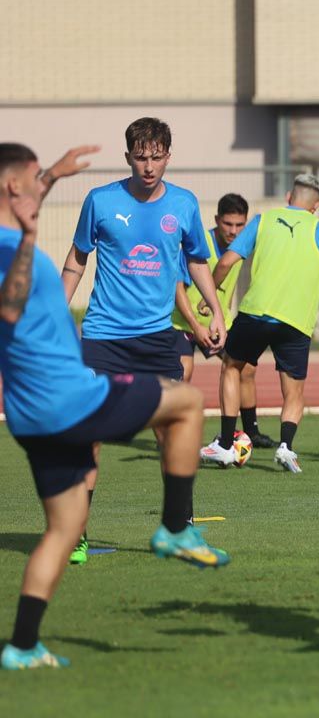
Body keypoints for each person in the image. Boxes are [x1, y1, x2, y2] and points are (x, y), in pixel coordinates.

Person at [1, 143, 228, 672]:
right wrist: (30, 239)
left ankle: (23, 645)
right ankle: (175, 527)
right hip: (66, 397)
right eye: (35, 180)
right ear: (14, 189)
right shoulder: (10, 247)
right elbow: (9, 308)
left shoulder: (14, 227)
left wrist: (53, 173)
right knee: (189, 402)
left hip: (32, 415)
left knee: (63, 530)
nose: (42, 188)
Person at [62, 117, 226, 564]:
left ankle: (182, 529)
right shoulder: (100, 201)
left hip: (157, 339)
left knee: (171, 428)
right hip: (102, 337)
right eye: (140, 156)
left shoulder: (185, 204)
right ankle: (75, 535)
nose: (148, 166)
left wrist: (217, 310)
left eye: (156, 157)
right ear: (128, 157)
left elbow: (196, 262)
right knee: (88, 436)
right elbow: (77, 260)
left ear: (168, 156)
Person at [201, 174, 319, 473]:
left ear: (289, 198)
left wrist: (209, 296)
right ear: (315, 206)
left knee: (231, 367)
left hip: (255, 313)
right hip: (296, 323)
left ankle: (226, 445)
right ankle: (286, 447)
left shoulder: (262, 221)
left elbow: (225, 262)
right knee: (293, 391)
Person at [171, 192, 276, 448]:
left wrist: (222, 318)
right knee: (182, 374)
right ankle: (171, 435)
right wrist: (196, 327)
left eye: (240, 224)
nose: (233, 230)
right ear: (217, 220)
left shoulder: (241, 245)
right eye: (228, 224)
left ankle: (251, 431)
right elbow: (178, 290)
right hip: (182, 324)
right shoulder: (199, 244)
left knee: (245, 368)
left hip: (218, 324)